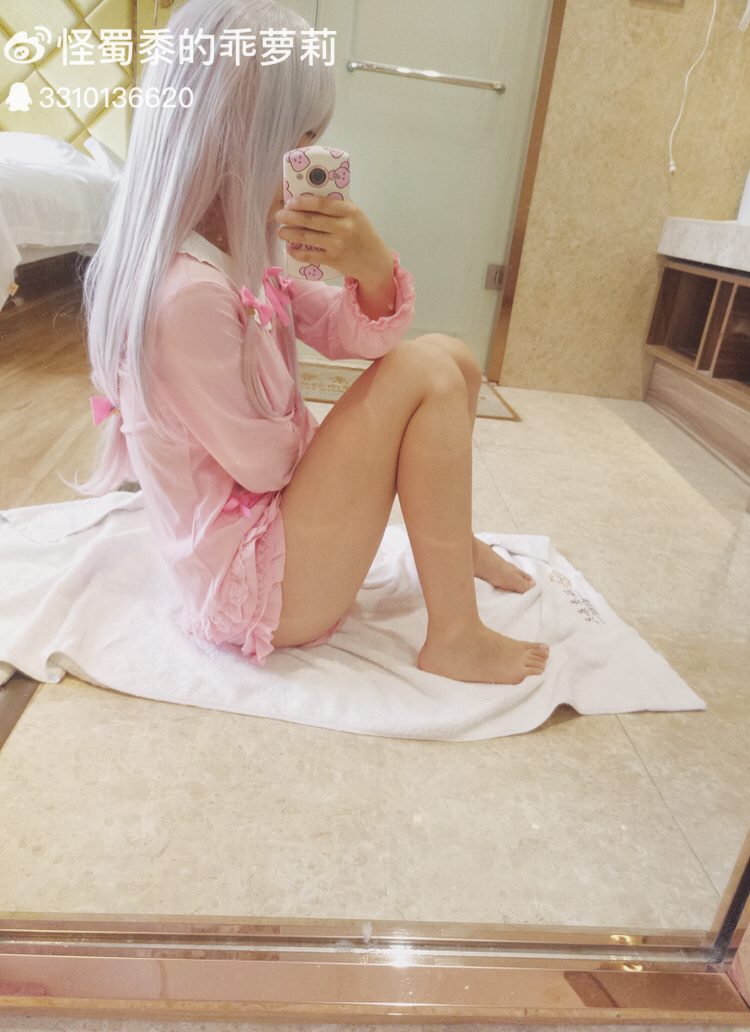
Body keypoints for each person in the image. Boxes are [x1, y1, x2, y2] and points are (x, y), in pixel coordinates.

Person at [80, 0, 549, 685]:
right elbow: (267, 464)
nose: (310, 160)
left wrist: (371, 271)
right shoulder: (186, 296)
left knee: (452, 356)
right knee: (423, 373)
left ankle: (452, 537)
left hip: (277, 536)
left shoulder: (238, 261)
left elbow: (348, 332)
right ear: (231, 136)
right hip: (256, 588)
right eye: (298, 136)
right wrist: (359, 446)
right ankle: (455, 636)